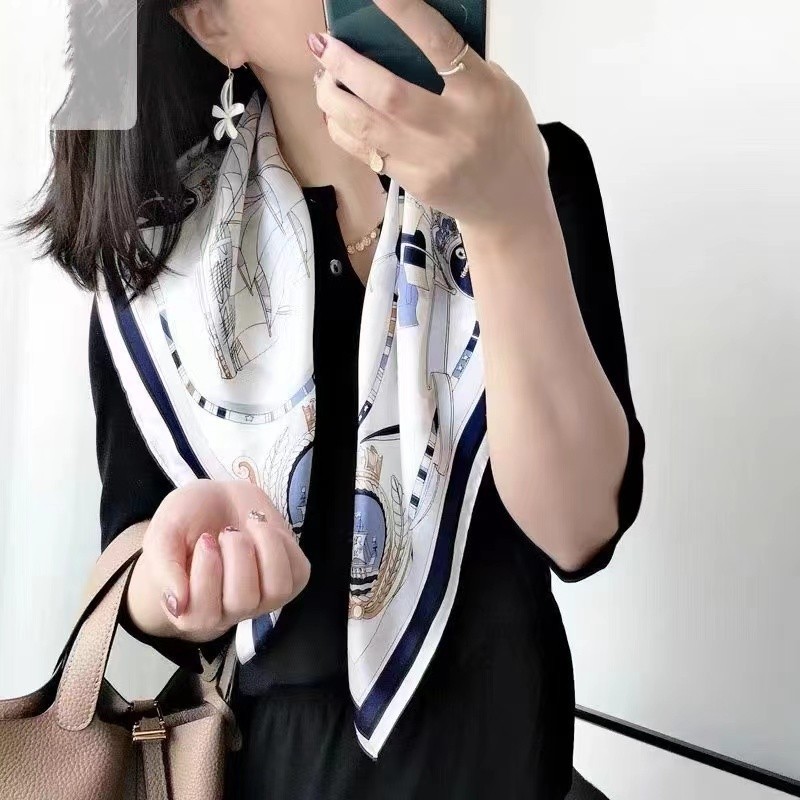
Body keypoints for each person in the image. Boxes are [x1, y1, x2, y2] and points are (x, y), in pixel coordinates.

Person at [20, 0, 645, 797]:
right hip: (266, 771)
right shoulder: (166, 264)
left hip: (504, 764)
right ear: (214, 24)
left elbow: (581, 530)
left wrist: (505, 215)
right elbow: (127, 565)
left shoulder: (536, 173)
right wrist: (184, 580)